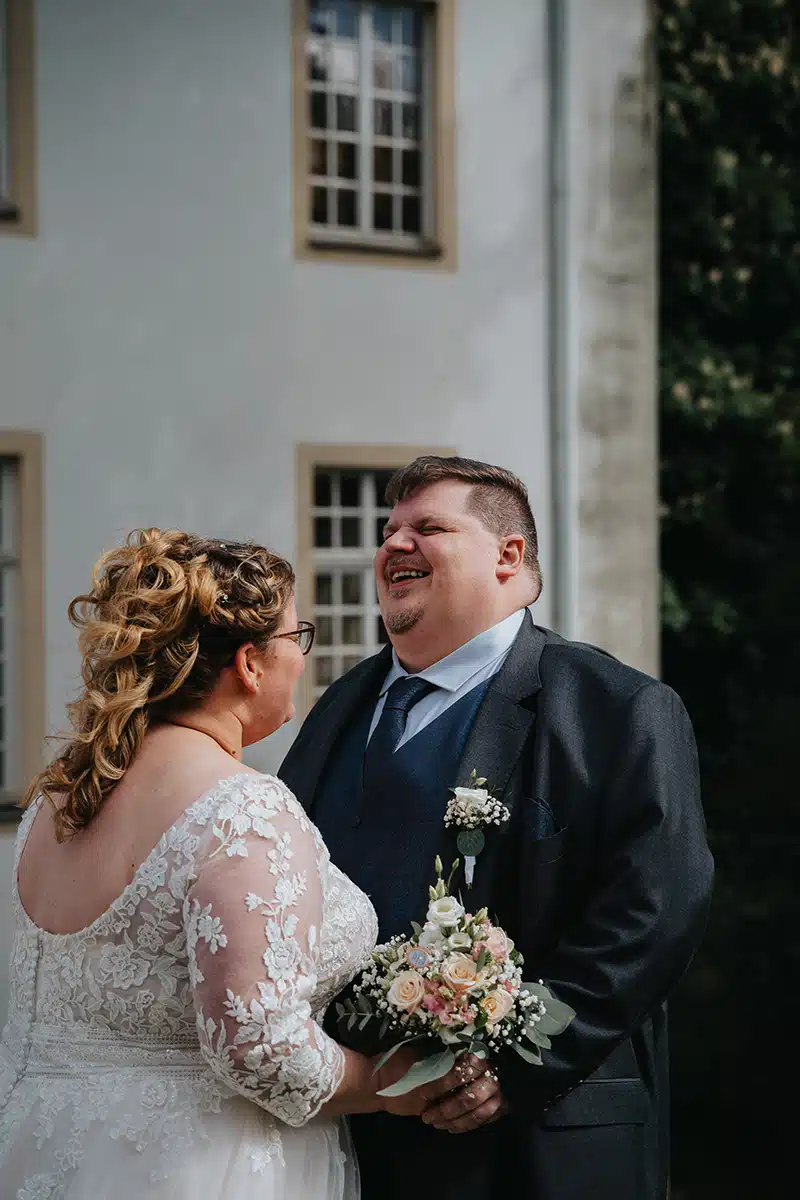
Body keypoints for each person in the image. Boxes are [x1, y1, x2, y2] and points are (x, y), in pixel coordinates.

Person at [280, 455, 715, 1200]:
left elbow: (651, 911)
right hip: (350, 1139)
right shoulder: (339, 709)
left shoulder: (613, 709)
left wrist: (514, 1064)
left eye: (428, 527)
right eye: (388, 531)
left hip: (535, 1142)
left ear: (508, 556)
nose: (393, 545)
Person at [0, 528, 448, 1199]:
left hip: (43, 1145)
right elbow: (259, 1046)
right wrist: (387, 1083)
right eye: (297, 637)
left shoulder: (57, 795)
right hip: (201, 1166)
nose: (303, 659)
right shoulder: (241, 808)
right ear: (249, 663)